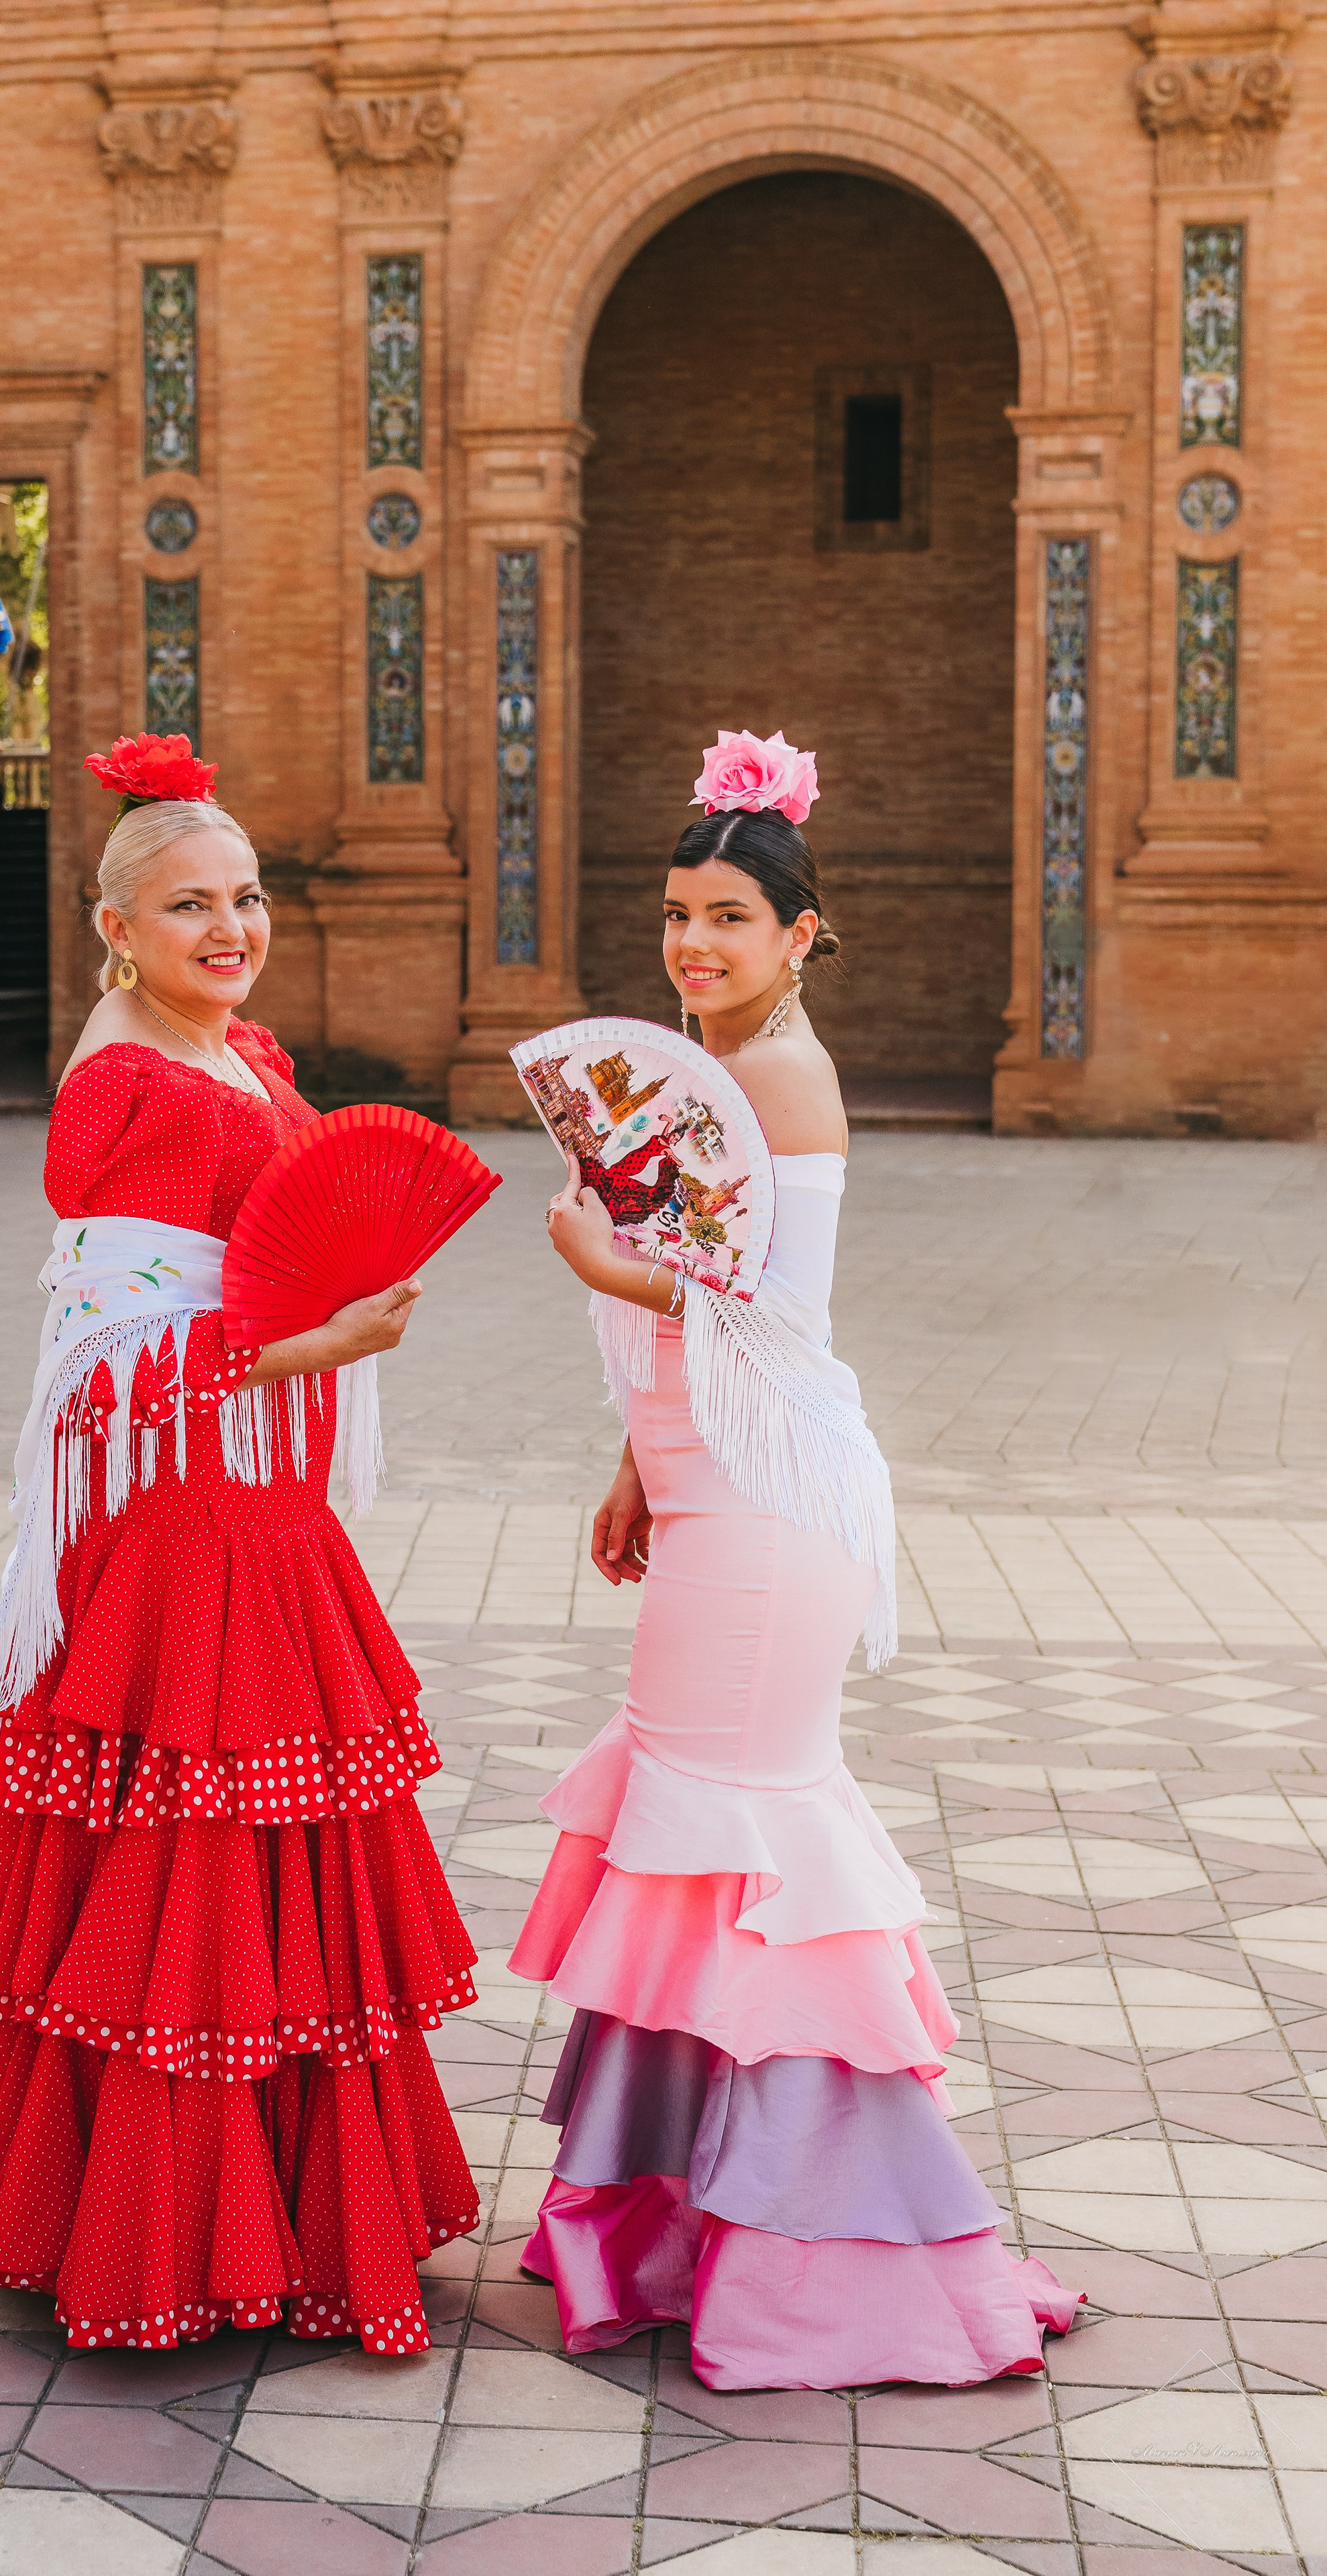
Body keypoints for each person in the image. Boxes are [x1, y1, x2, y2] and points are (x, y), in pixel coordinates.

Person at [509, 729, 1078, 2388]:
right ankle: (683, 2221)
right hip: (709, 1490)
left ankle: (824, 2256)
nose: (692, 944)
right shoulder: (711, 1064)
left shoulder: (780, 1079)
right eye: (675, 914)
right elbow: (700, 1317)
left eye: (729, 920)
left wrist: (601, 1268)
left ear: (798, 933)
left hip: (768, 1520)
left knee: (739, 1849)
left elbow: (767, 1310)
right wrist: (635, 1460)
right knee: (695, 1855)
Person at [0, 734, 478, 2357]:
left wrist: (322, 1328)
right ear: (115, 928)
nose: (230, 929)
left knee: (272, 1865)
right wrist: (317, 1346)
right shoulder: (132, 1089)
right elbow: (105, 1377)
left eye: (246, 897)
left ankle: (278, 2213)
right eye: (188, 907)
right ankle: (166, 2238)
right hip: (185, 1536)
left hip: (261, 1513)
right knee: (198, 1885)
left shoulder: (230, 1054)